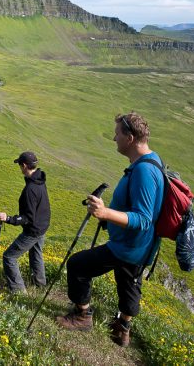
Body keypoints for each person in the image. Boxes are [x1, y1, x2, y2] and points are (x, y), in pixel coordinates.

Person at [56, 112, 165, 347]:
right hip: (140, 247)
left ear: (130, 137)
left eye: (117, 134)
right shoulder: (152, 161)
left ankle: (83, 316)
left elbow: (143, 218)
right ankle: (122, 330)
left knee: (78, 265)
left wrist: (105, 213)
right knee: (129, 283)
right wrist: (109, 219)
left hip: (127, 247)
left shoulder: (144, 171)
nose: (114, 138)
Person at [0, 151, 51, 293]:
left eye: (20, 165)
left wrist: (8, 219)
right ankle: (40, 286)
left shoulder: (30, 189)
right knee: (36, 254)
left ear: (25, 165)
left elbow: (27, 217)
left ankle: (18, 291)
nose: (20, 168)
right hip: (42, 226)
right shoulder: (40, 181)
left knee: (9, 257)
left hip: (33, 230)